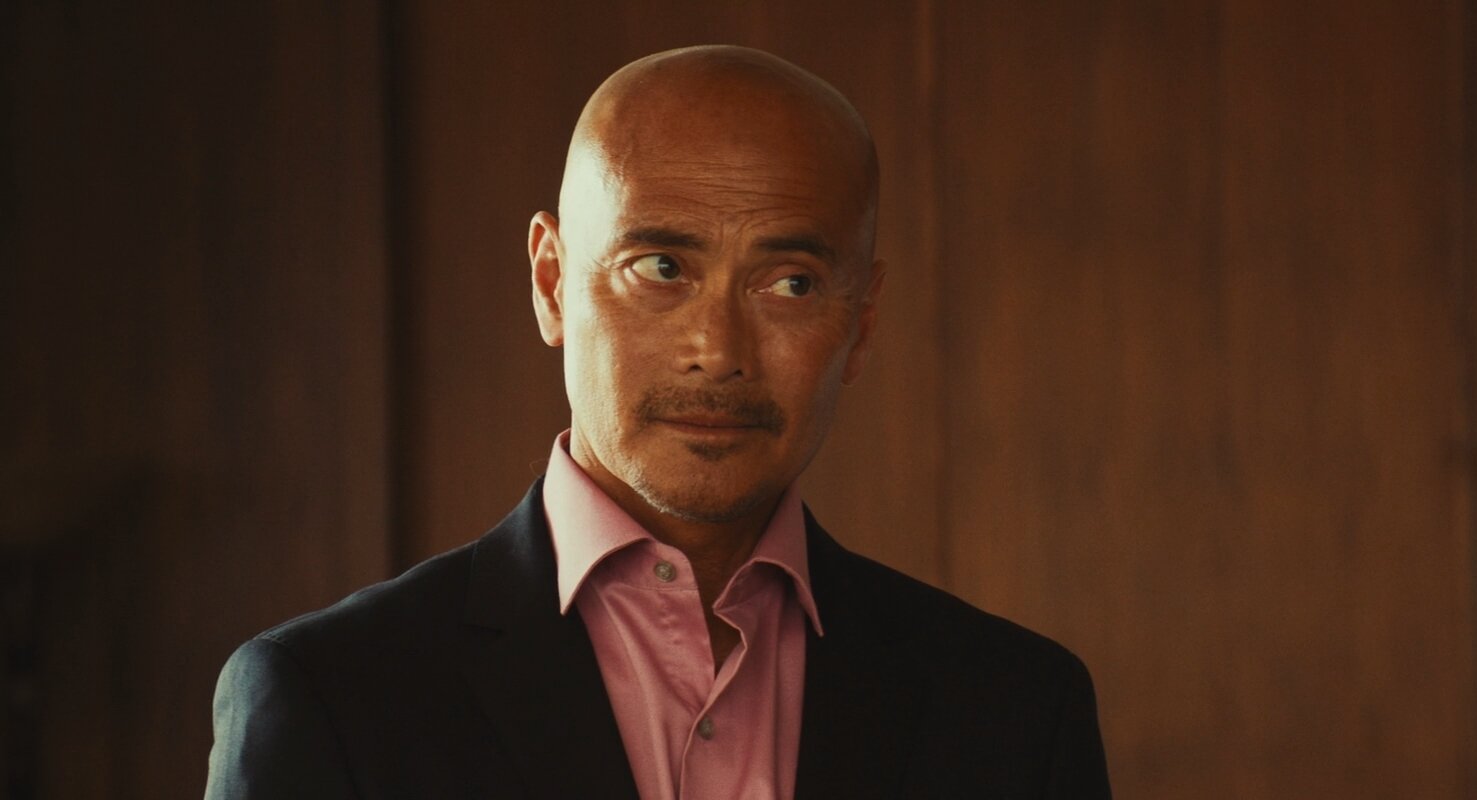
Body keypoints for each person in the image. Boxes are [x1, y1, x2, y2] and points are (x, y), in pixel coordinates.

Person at [203, 45, 1111, 799]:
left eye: (790, 283)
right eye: (661, 268)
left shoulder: (1018, 713)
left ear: (861, 324)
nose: (718, 350)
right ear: (551, 282)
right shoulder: (331, 699)